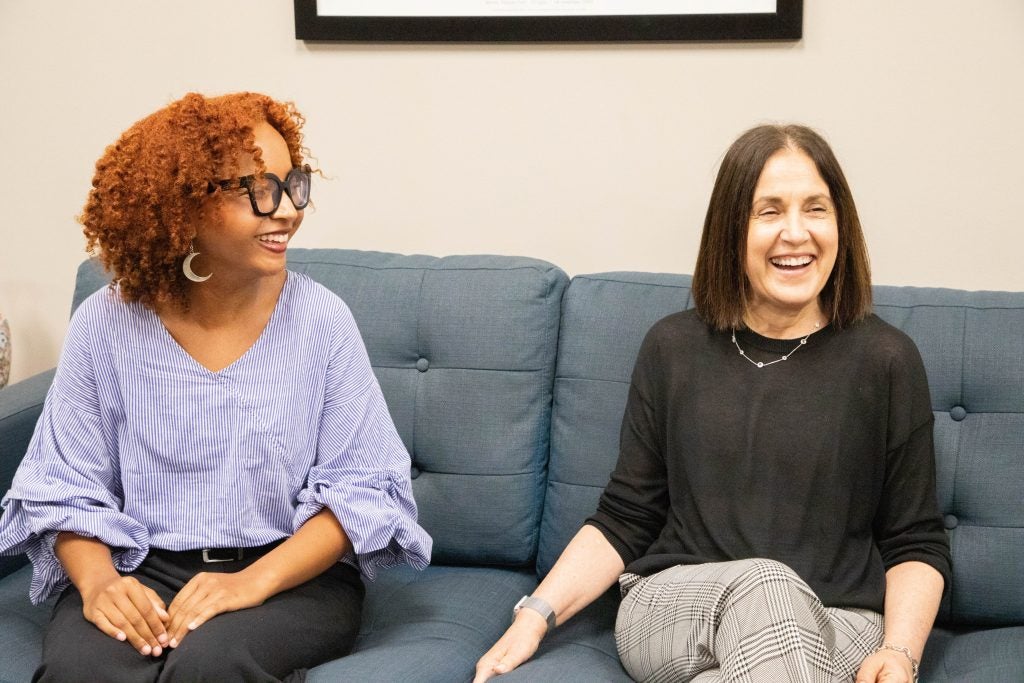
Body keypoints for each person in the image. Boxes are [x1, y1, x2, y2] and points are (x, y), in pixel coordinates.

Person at [474, 124, 950, 683]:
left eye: (816, 209)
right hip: (676, 604)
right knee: (767, 585)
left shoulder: (887, 359)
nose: (796, 233)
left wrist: (900, 652)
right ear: (731, 229)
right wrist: (534, 617)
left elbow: (914, 537)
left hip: (837, 621)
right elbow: (627, 516)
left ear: (840, 223)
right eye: (769, 212)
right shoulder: (673, 347)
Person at [0, 92, 432, 682]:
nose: (285, 210)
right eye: (256, 190)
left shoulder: (322, 320)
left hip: (289, 577)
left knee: (210, 667)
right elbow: (64, 487)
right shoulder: (105, 322)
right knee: (83, 671)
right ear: (182, 208)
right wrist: (101, 584)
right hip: (138, 565)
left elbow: (362, 490)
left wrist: (250, 583)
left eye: (292, 184)